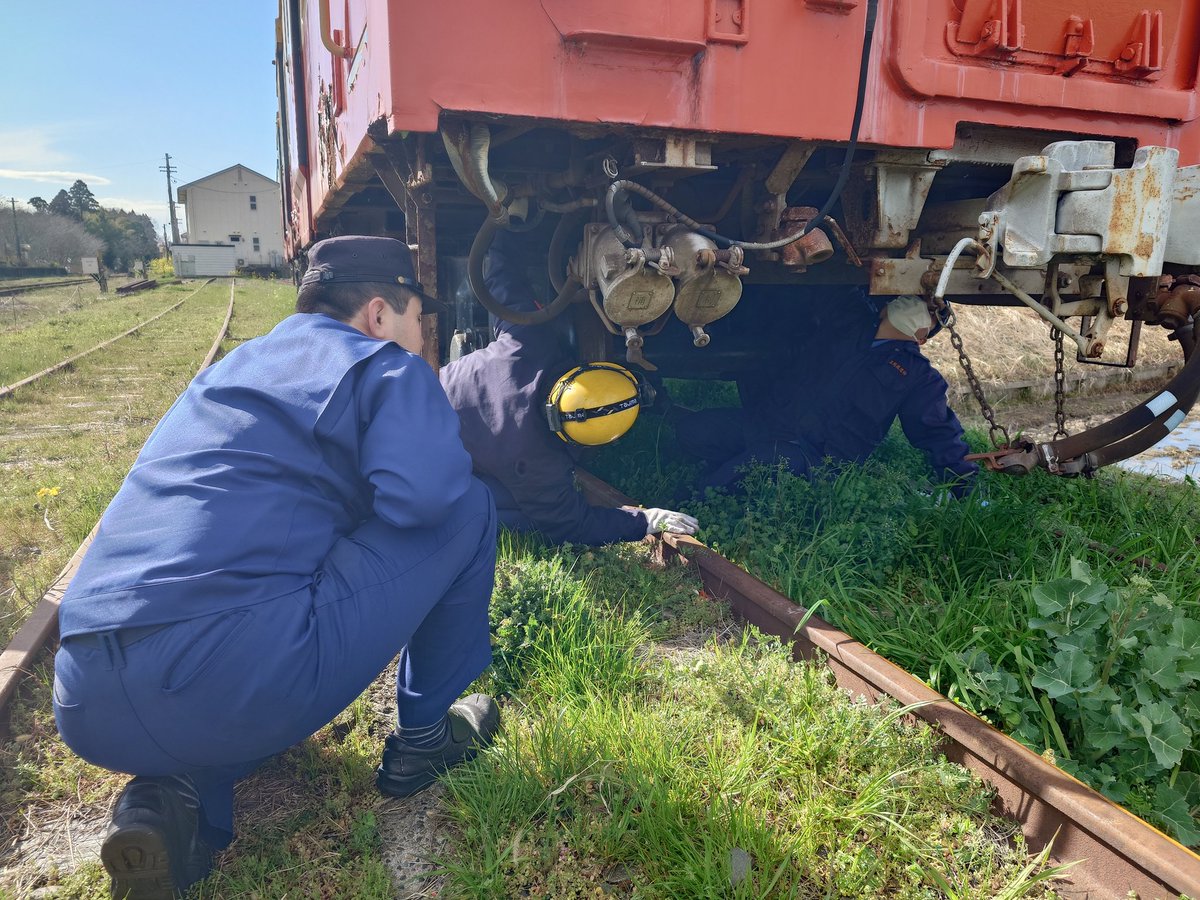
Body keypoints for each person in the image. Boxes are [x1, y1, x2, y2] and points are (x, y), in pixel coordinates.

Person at [52, 236, 501, 900]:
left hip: (85, 692)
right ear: (380, 314)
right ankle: (426, 738)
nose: (418, 336)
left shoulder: (233, 369)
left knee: (221, 658)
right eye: (416, 319)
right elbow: (427, 496)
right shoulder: (386, 364)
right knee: (470, 506)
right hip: (230, 671)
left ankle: (170, 802)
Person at [439, 228, 698, 545]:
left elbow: (502, 279)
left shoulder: (528, 342)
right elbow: (574, 525)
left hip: (412, 409)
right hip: (422, 465)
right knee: (518, 514)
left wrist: (511, 225)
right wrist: (646, 520)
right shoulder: (539, 468)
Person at [675, 294, 978, 496]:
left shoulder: (917, 376)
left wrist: (964, 483)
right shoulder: (845, 326)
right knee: (693, 430)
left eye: (929, 311)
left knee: (741, 472)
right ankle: (743, 472)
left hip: (817, 457)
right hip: (767, 425)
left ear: (924, 336)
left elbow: (938, 431)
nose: (916, 305)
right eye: (914, 298)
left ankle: (699, 499)